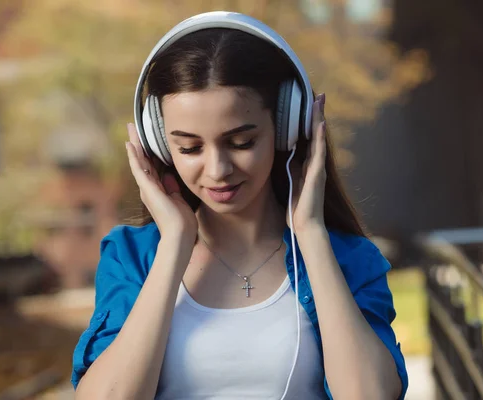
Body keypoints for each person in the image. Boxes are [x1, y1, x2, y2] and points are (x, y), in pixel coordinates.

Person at [71, 12, 408, 400]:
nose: (217, 170)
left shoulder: (347, 258)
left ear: (286, 129)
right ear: (160, 147)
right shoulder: (132, 257)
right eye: (190, 148)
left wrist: (311, 234)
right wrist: (175, 245)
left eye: (241, 142)